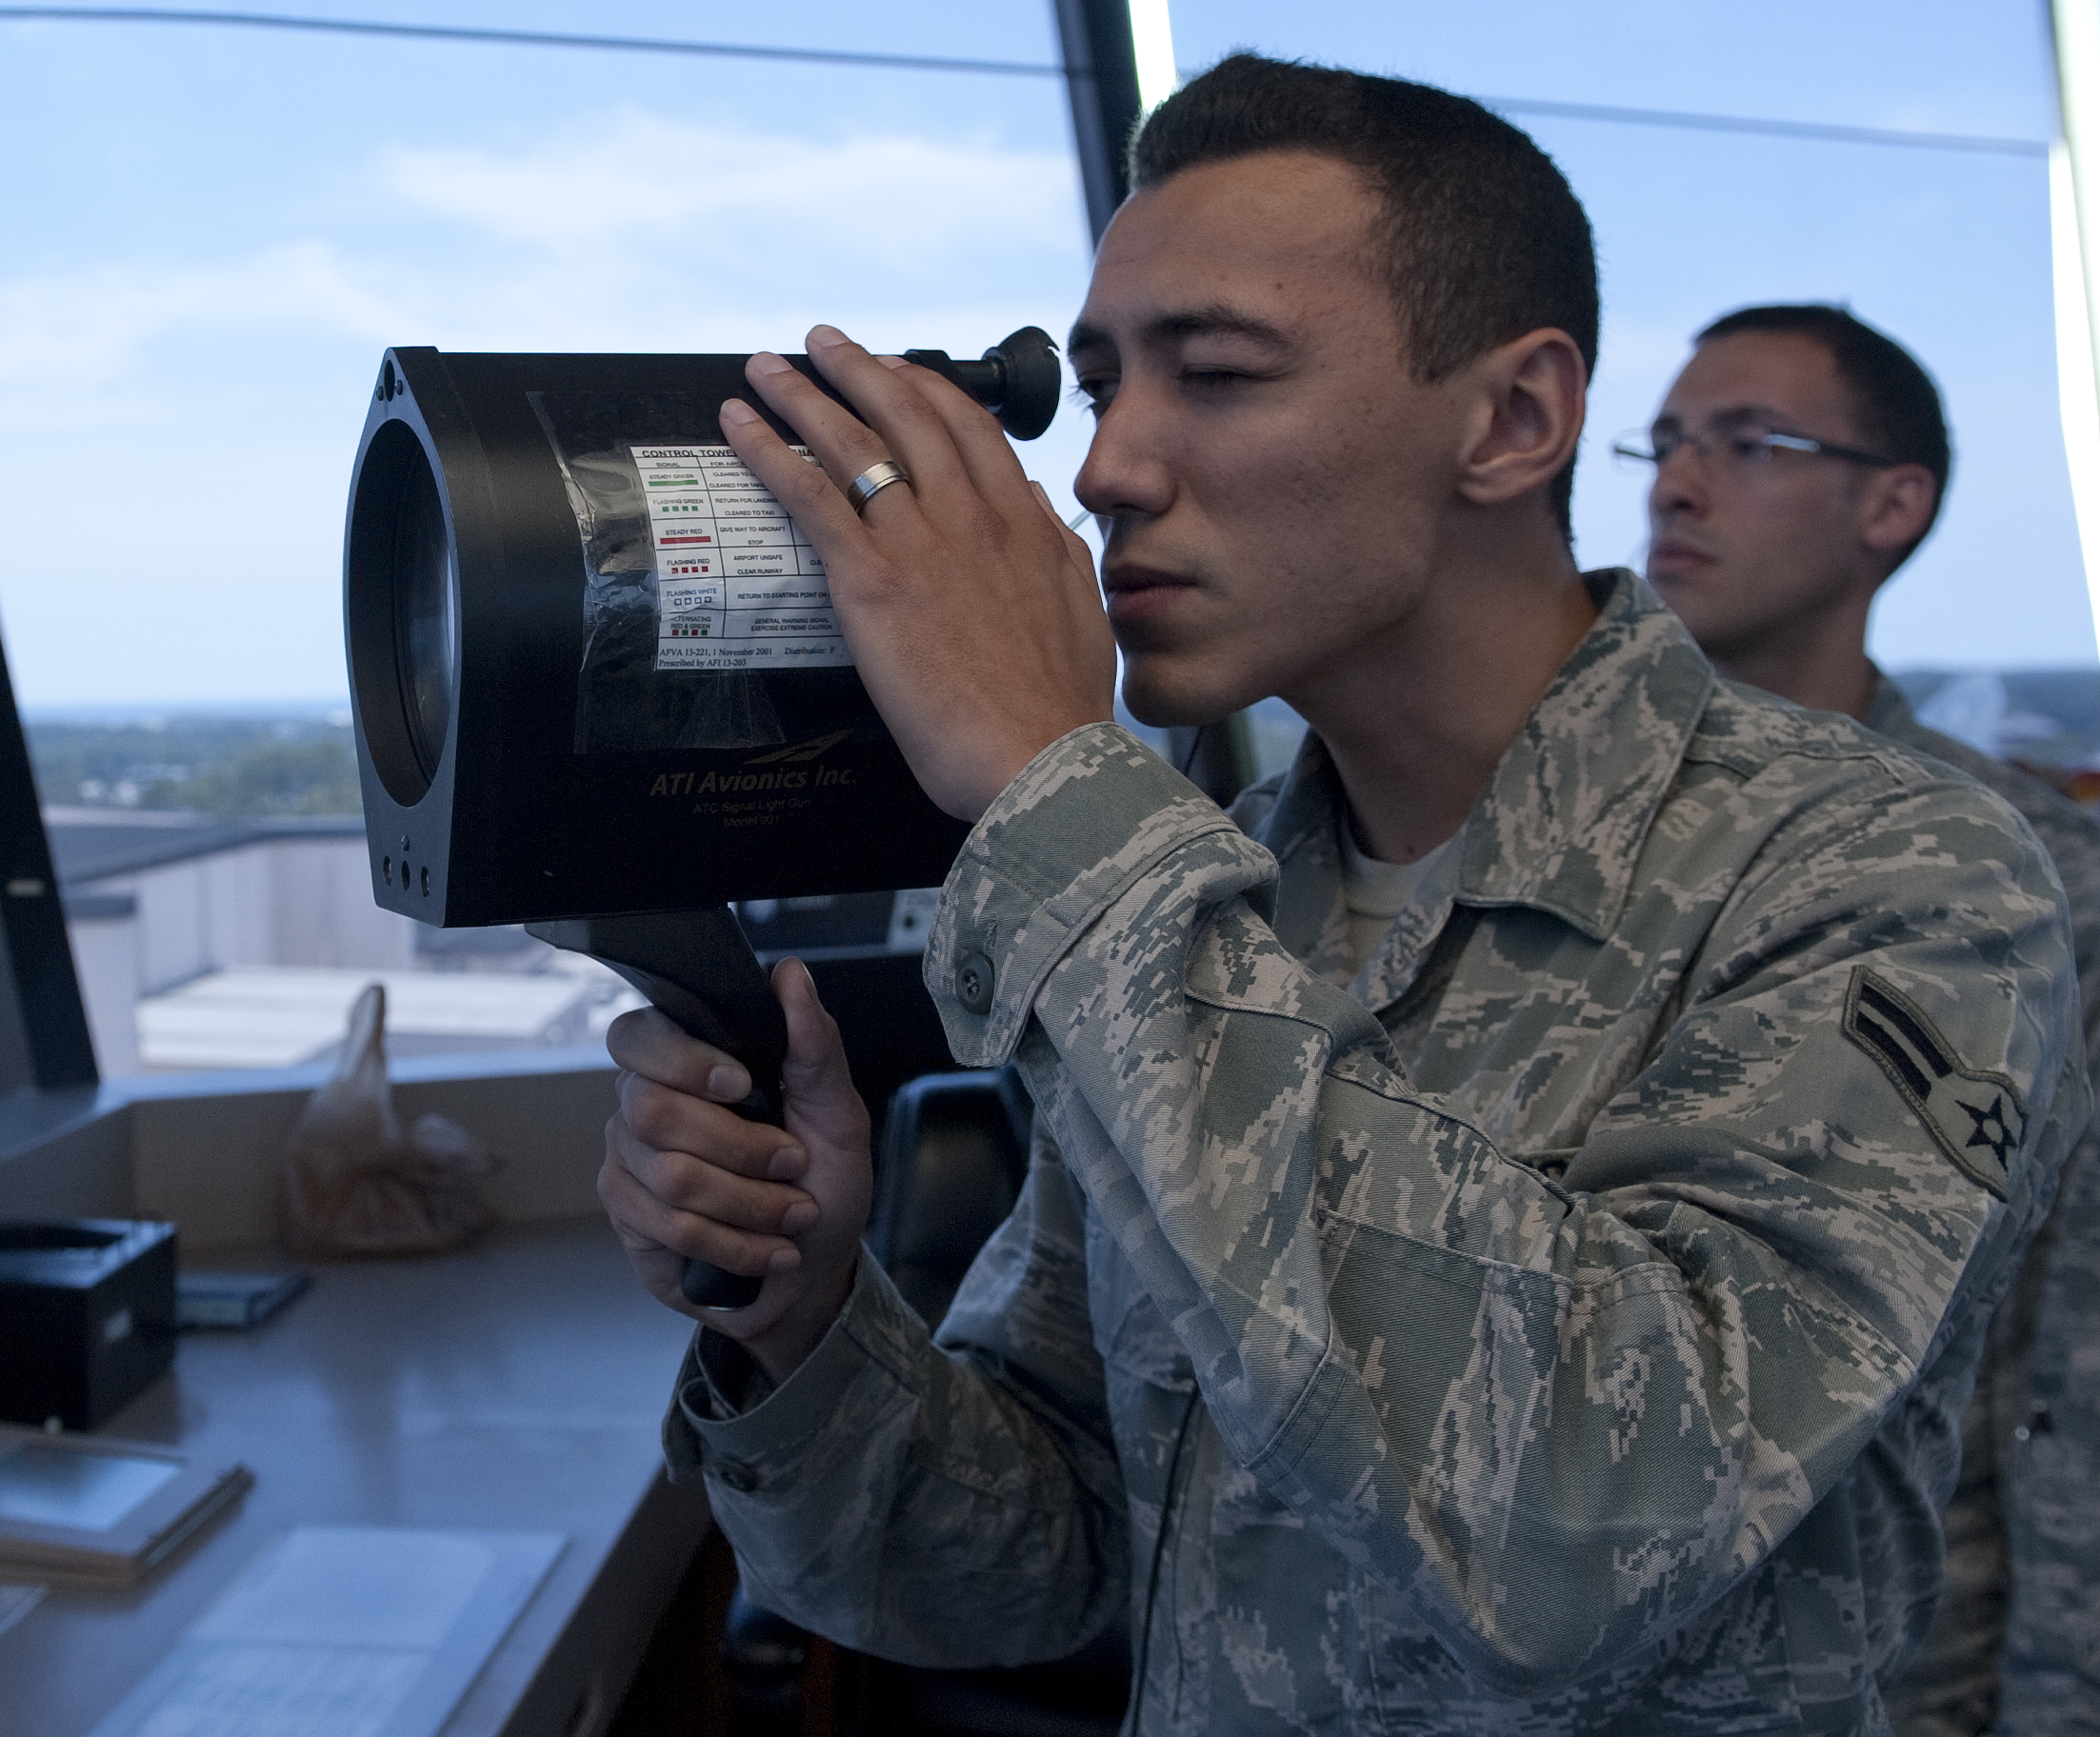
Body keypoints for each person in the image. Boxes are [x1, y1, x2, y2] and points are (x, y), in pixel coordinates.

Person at [597, 55, 2085, 1731]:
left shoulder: (1886, 870)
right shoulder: (1212, 902)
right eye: (1099, 392)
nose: (1110, 472)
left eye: (1218, 376)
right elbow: (1036, 1557)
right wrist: (804, 1321)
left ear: (1514, 421)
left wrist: (1047, 786)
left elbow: (1591, 1529)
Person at [1639, 303, 2100, 1734]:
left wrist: (2056, 1691)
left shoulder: (2023, 872)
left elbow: (2071, 1338)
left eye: (1749, 443)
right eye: (1661, 443)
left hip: (1905, 1655)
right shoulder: (1550, 848)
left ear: (1892, 506)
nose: (1675, 483)